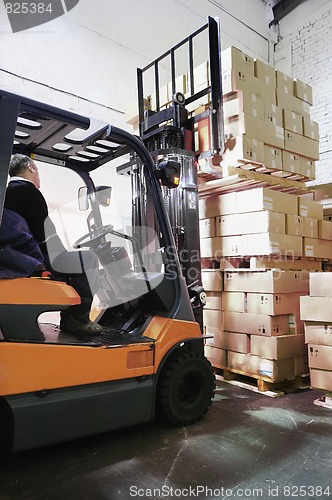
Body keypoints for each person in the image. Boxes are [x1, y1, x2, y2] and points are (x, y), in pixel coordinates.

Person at [4, 154, 103, 335]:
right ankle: (78, 319)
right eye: (38, 171)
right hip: (35, 258)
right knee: (88, 258)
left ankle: (72, 317)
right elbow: (44, 234)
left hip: (20, 256)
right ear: (31, 168)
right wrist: (66, 254)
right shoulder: (27, 191)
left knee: (76, 261)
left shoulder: (9, 192)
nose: (38, 175)